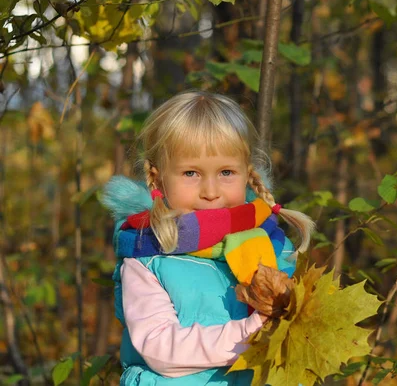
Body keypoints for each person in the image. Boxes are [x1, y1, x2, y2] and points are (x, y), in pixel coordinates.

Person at [101, 91, 315, 386]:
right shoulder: (146, 256)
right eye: (191, 173)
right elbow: (160, 348)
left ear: (247, 173)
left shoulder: (270, 245)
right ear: (159, 177)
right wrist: (251, 334)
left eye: (226, 172)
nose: (211, 191)